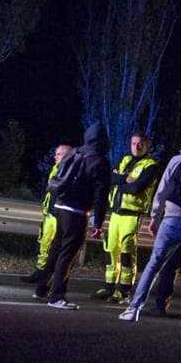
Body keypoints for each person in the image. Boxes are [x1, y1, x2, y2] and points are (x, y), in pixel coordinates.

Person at [119, 127, 181, 330]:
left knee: (154, 264)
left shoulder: (178, 159)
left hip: (171, 219)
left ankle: (133, 309)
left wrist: (155, 217)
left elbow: (162, 189)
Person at [35, 123, 111, 309]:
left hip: (59, 207)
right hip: (77, 212)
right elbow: (101, 195)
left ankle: (41, 289)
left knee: (55, 250)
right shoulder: (100, 161)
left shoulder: (74, 152)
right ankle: (57, 297)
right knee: (67, 255)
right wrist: (98, 223)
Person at [94, 133, 160, 304]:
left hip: (132, 214)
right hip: (115, 213)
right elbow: (110, 178)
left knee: (126, 252)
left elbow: (137, 188)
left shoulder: (151, 165)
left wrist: (120, 181)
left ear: (147, 145)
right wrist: (126, 179)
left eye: (140, 144)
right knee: (111, 249)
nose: (136, 147)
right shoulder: (124, 159)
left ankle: (124, 291)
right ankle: (109, 287)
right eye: (133, 143)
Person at [20, 144, 73, 283]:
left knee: (57, 248)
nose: (55, 157)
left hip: (61, 216)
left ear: (67, 156)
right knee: (44, 244)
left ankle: (53, 277)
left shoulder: (72, 170)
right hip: (50, 214)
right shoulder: (56, 168)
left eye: (59, 154)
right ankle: (40, 273)